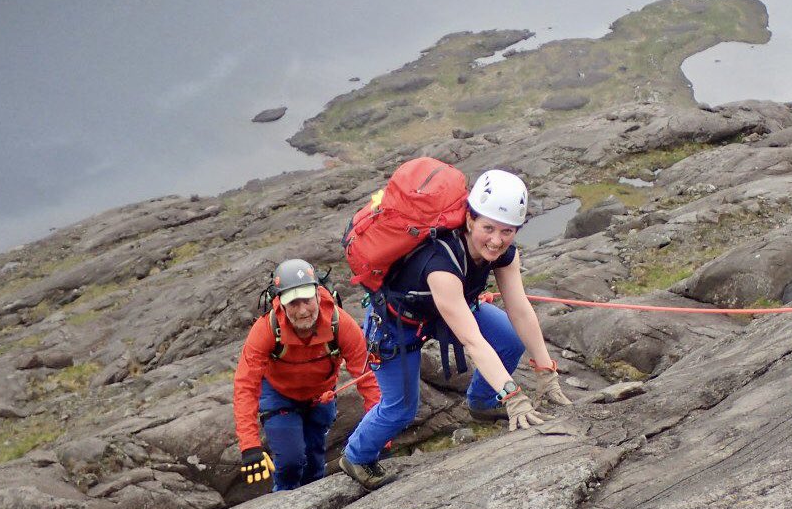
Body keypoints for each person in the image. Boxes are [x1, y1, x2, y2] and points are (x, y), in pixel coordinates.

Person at [339, 169, 572, 490]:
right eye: (488, 228)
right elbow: (472, 341)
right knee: (400, 409)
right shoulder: (441, 262)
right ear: (470, 220)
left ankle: (481, 403)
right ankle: (356, 456)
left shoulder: (503, 252)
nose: (496, 240)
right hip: (396, 323)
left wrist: (546, 370)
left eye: (507, 231)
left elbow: (519, 309)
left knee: (507, 337)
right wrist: (513, 395)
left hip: (448, 308)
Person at [233, 258, 380, 491]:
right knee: (291, 463)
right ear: (280, 303)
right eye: (293, 303)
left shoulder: (340, 323)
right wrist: (250, 446)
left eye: (307, 300)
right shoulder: (265, 330)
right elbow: (246, 386)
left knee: (314, 465)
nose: (302, 310)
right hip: (278, 394)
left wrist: (380, 432)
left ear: (317, 295)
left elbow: (368, 377)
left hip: (321, 395)